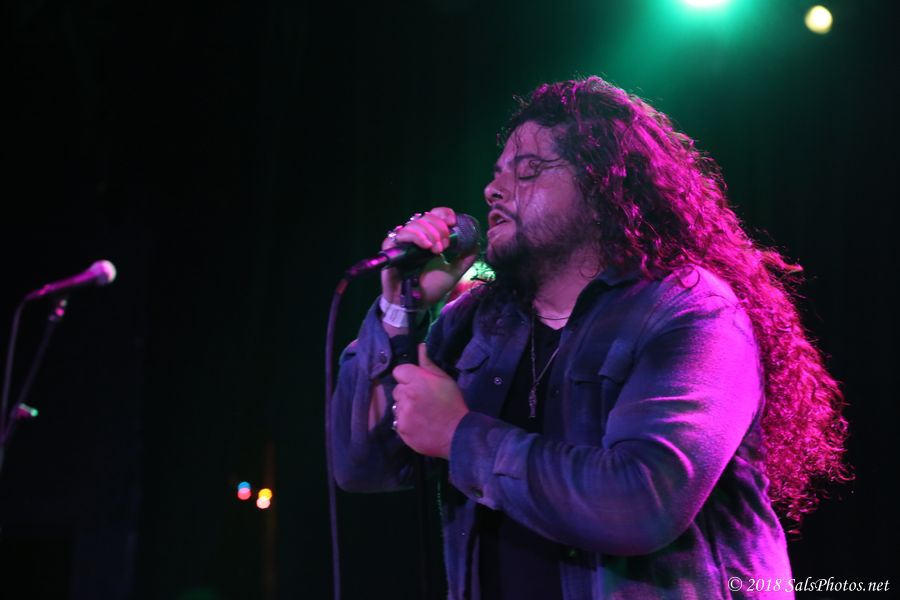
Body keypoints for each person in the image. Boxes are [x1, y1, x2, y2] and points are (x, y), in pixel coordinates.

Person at [329, 76, 849, 599]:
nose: (494, 190)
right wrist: (401, 307)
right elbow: (363, 465)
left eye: (529, 170)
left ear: (605, 188)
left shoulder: (690, 310)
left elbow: (641, 504)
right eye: (496, 174)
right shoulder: (476, 319)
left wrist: (461, 435)